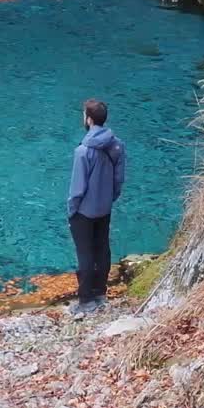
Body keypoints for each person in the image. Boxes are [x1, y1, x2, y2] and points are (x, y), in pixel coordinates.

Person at [67, 99, 125, 316]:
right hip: (104, 207)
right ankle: (100, 293)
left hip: (84, 211)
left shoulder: (83, 151)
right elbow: (119, 180)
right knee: (102, 248)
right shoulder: (117, 145)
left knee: (85, 253)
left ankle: (85, 301)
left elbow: (77, 189)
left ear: (88, 119)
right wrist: (109, 199)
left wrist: (72, 210)